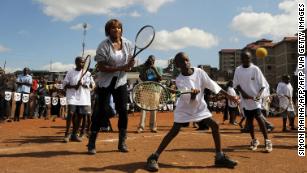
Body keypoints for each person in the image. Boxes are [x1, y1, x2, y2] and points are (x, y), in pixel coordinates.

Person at [146, 52, 238, 172]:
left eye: (187, 59)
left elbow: (213, 85)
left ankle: (219, 157)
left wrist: (229, 96)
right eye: (182, 61)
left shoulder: (199, 72)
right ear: (177, 65)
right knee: (174, 131)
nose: (186, 62)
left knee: (215, 126)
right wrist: (193, 95)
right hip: (184, 109)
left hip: (199, 107)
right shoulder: (179, 80)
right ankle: (154, 157)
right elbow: (189, 101)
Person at [87, 19, 135, 154]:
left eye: (118, 28)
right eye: (113, 28)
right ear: (108, 30)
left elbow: (129, 63)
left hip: (121, 82)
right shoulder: (103, 45)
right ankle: (91, 143)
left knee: (123, 111)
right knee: (100, 110)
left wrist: (130, 65)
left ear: (121, 29)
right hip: (105, 82)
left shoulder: (127, 43)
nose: (116, 30)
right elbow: (101, 66)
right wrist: (121, 67)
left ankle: (122, 142)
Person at [233, 51, 272, 152]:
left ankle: (267, 141)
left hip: (255, 100)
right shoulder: (238, 70)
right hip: (245, 101)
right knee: (249, 120)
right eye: (244, 58)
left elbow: (263, 85)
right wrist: (243, 93)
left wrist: (258, 96)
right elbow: (236, 84)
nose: (246, 60)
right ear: (241, 59)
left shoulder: (255, 69)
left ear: (251, 59)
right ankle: (254, 140)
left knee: (259, 118)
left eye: (248, 58)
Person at [62, 57, 92, 143]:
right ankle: (67, 134)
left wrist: (84, 85)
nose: (82, 64)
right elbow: (64, 85)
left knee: (80, 116)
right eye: (81, 62)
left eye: (83, 62)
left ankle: (74, 134)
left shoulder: (88, 73)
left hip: (83, 97)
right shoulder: (70, 72)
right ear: (76, 63)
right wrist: (74, 86)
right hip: (72, 96)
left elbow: (90, 86)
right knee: (71, 113)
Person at [137, 55, 163, 133]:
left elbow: (160, 79)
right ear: (148, 60)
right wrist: (145, 69)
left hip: (155, 90)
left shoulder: (158, 68)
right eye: (150, 59)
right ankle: (141, 127)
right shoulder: (144, 69)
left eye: (153, 60)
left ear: (155, 61)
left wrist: (154, 69)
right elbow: (142, 78)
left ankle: (153, 127)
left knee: (153, 109)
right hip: (145, 90)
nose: (152, 61)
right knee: (143, 109)